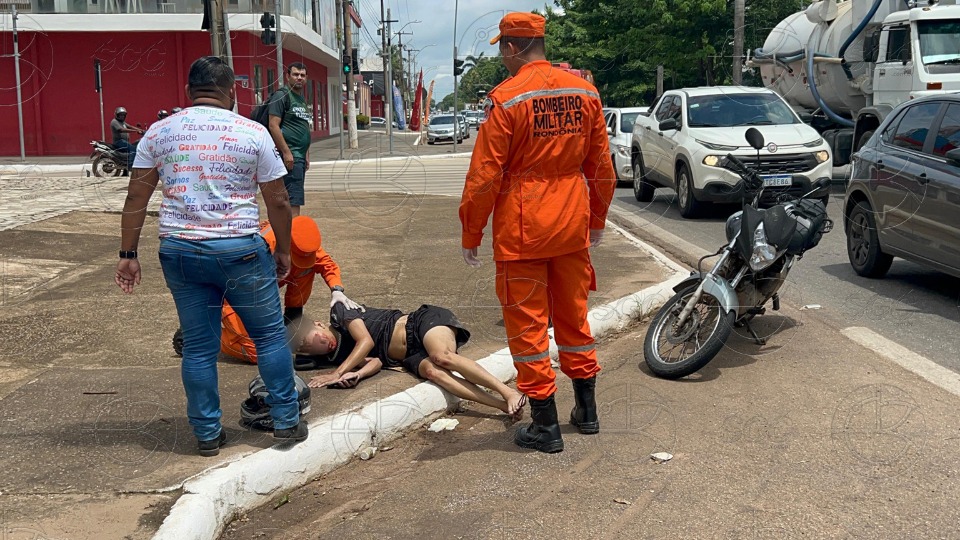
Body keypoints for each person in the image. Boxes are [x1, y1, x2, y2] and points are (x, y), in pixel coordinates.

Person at [114, 56, 308, 457]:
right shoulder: (252, 133)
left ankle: (207, 434)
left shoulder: (159, 133)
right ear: (231, 92)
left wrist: (128, 253)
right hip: (239, 250)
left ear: (189, 92)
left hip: (181, 251)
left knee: (200, 346)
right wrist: (284, 249)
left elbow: (136, 197)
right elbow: (279, 200)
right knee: (269, 335)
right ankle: (287, 421)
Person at [458, 12, 616, 454]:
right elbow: (602, 168)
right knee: (574, 318)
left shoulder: (506, 99)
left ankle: (545, 426)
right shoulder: (585, 91)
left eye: (501, 50)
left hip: (523, 230)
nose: (502, 58)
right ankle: (587, 411)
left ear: (511, 47)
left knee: (527, 327)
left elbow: (484, 176)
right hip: (571, 225)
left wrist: (472, 230)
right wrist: (597, 220)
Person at [301, 303, 527, 419]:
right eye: (310, 349)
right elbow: (376, 362)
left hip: (420, 323)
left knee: (442, 357)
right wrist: (356, 375)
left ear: (318, 324)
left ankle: (508, 393)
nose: (318, 345)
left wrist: (337, 373)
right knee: (434, 372)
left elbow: (366, 341)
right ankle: (502, 406)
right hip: (409, 356)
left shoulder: (341, 312)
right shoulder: (341, 354)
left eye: (312, 338)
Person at [218, 215, 361, 364]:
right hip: (233, 293)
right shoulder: (259, 247)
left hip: (265, 285)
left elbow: (326, 264)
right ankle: (208, 336)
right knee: (258, 352)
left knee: (306, 268)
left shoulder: (304, 241)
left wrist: (336, 289)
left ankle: (293, 315)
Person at [266, 62, 313, 217]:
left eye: (302, 75)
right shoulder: (282, 95)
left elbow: (303, 126)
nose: (299, 78)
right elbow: (273, 125)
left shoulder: (300, 99)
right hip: (288, 156)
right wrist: (287, 152)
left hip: (299, 156)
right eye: (295, 74)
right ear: (288, 76)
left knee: (294, 197)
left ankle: (290, 234)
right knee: (292, 200)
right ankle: (291, 236)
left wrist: (306, 153)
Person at [110, 106, 144, 174]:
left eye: (123, 115)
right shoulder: (114, 122)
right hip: (119, 142)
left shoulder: (123, 122)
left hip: (124, 142)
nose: (122, 116)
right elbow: (121, 130)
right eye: (120, 115)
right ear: (117, 115)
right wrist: (135, 131)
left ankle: (125, 172)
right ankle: (130, 166)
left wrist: (140, 130)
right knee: (133, 149)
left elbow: (130, 126)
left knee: (132, 148)